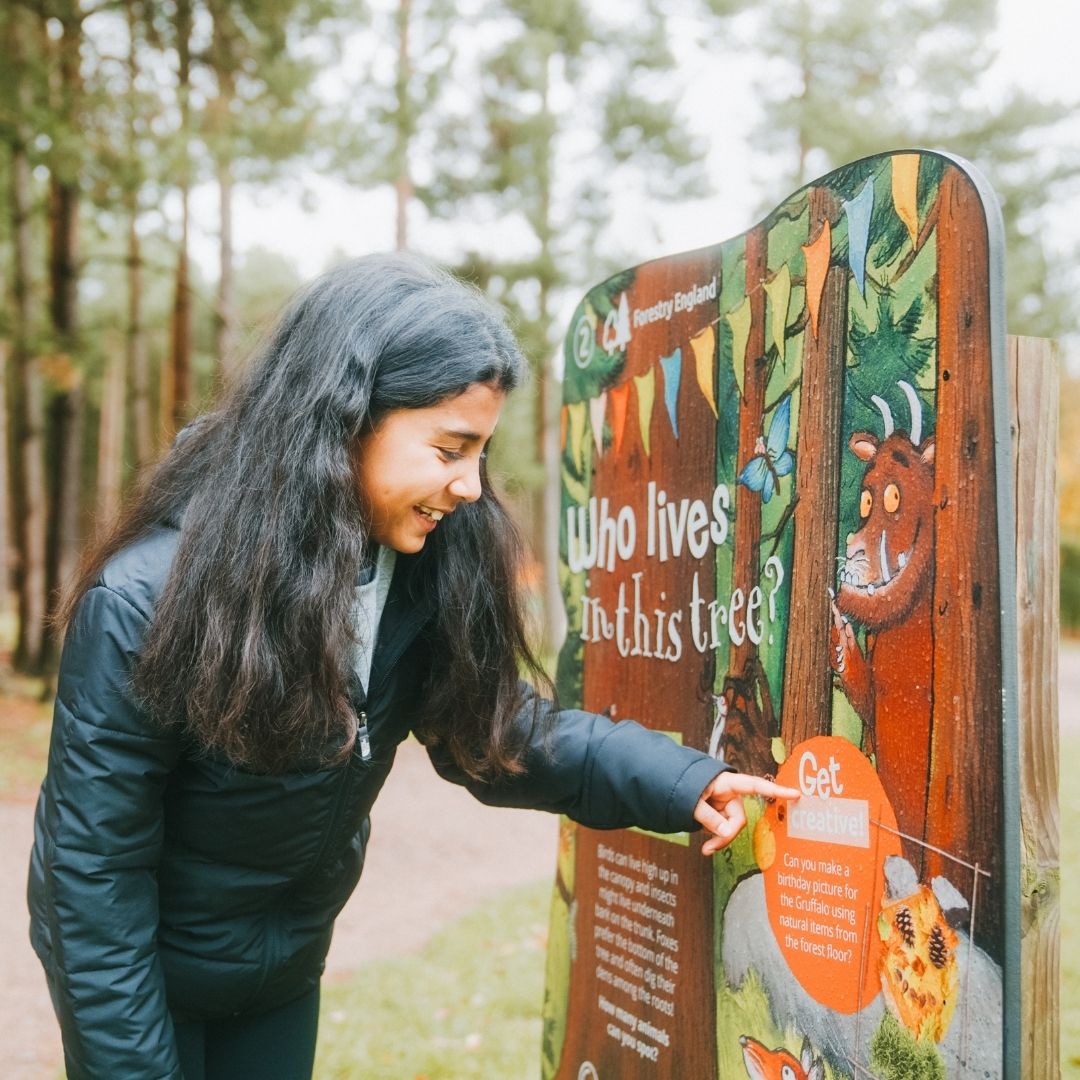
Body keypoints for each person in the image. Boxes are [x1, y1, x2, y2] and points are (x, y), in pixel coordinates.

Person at [27, 252, 798, 1080]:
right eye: (449, 449)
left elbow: (497, 734)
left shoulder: (422, 570)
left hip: (281, 974)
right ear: (346, 420)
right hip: (140, 986)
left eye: (481, 455)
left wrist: (682, 782)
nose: (470, 486)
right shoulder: (144, 600)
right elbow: (90, 884)